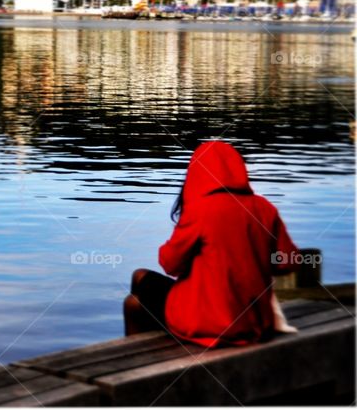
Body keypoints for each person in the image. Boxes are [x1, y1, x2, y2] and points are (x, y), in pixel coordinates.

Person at [123, 141, 300, 347]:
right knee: (140, 279)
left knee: (133, 302)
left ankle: (133, 361)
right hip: (256, 321)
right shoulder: (264, 208)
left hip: (211, 322)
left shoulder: (202, 209)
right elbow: (288, 262)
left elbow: (170, 264)